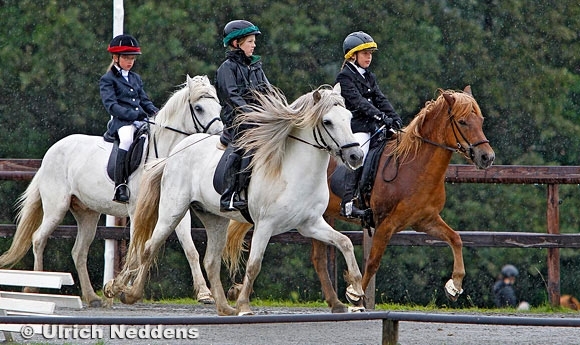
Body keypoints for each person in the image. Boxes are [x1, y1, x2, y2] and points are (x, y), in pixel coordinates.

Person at [335, 31, 403, 218]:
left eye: (370, 53)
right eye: (365, 53)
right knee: (359, 154)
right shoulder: (345, 77)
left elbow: (380, 99)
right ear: (352, 56)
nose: (369, 57)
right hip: (357, 127)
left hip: (374, 125)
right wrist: (381, 117)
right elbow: (359, 103)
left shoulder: (369, 77)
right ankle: (347, 204)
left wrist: (394, 117)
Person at [215, 19, 271, 212]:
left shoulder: (256, 66)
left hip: (258, 118)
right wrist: (251, 115)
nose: (254, 45)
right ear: (236, 43)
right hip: (236, 120)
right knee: (243, 148)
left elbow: (268, 91)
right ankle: (229, 195)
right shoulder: (226, 69)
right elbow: (232, 97)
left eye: (254, 41)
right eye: (250, 41)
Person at [99, 34, 159, 203]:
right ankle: (120, 185)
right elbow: (111, 106)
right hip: (122, 122)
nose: (130, 62)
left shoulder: (135, 78)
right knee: (126, 140)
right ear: (115, 57)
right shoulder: (108, 79)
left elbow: (144, 100)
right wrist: (133, 115)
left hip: (140, 119)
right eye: (126, 58)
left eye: (132, 58)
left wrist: (156, 113)